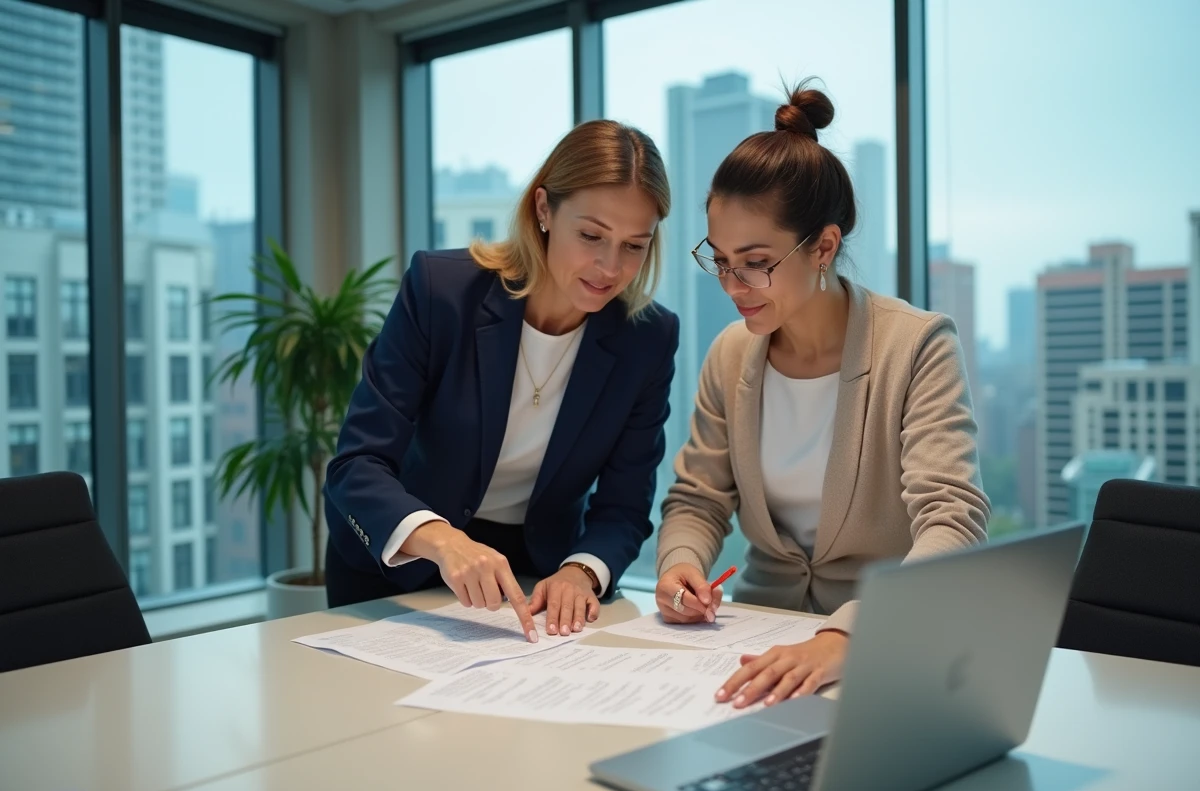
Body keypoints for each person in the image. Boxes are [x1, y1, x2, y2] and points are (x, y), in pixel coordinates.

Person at [654, 82, 990, 707]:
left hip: (885, 652)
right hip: (756, 645)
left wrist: (847, 636)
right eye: (720, 259)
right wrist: (679, 564)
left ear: (824, 247)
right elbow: (700, 498)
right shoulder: (730, 353)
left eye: (755, 262)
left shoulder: (916, 346)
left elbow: (952, 524)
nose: (733, 284)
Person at [325, 119, 678, 644]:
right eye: (591, 236)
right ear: (543, 210)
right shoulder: (440, 291)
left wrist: (581, 571)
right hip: (401, 569)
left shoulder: (646, 337)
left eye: (634, 246)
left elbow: (624, 505)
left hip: (537, 584)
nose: (609, 267)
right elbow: (356, 464)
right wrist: (441, 538)